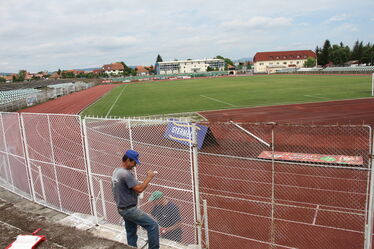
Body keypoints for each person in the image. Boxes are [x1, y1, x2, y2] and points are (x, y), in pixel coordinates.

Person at [112, 149, 159, 249]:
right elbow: (139, 189)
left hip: (121, 208)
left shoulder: (116, 171)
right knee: (153, 226)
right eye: (134, 162)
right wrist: (149, 177)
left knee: (131, 231)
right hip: (129, 209)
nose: (135, 165)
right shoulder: (126, 174)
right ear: (128, 160)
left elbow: (126, 188)